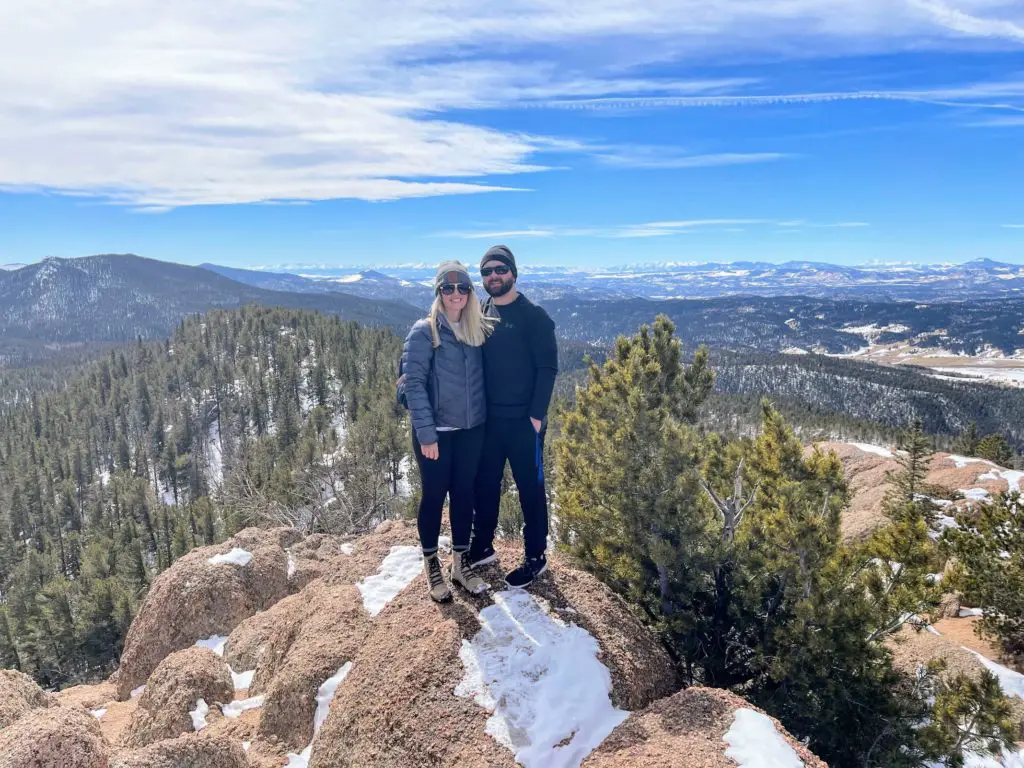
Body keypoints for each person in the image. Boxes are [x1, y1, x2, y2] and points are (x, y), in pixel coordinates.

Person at [469, 245, 558, 589]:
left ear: (513, 273)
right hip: (489, 421)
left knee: (530, 490)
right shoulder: (483, 311)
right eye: (487, 272)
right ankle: (483, 546)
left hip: (524, 423)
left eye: (500, 270)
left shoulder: (534, 316)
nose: (493, 276)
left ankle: (535, 556)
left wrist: (536, 417)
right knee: (485, 485)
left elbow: (548, 367)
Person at [402, 260, 492, 602]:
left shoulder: (476, 331)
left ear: (470, 294)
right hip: (436, 432)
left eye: (463, 288)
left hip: (471, 430)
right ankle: (432, 565)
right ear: (439, 292)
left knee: (464, 495)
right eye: (448, 288)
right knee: (435, 497)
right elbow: (412, 383)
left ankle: (459, 563)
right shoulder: (425, 331)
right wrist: (426, 433)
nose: (456, 294)